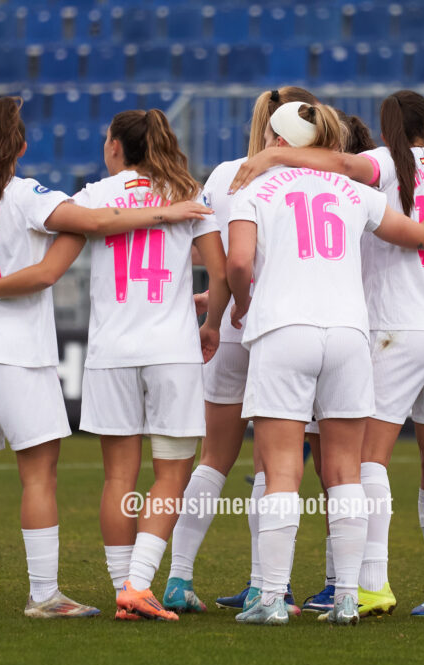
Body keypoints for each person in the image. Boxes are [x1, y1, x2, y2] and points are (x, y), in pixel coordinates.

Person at [229, 90, 424, 620]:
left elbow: (335, 165)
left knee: (361, 461)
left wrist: (274, 155)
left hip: (393, 329)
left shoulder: (378, 166)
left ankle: (368, 582)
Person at [0, 97, 212, 619]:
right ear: (23, 147)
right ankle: (51, 594)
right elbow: (86, 234)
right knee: (39, 477)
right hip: (21, 357)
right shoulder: (33, 196)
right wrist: (169, 212)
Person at [163, 87, 318, 617]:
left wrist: (217, 309)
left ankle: (178, 577)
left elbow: (218, 258)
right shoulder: (317, 176)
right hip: (282, 325)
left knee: (213, 459)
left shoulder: (225, 174)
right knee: (275, 463)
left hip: (231, 324)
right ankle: (262, 585)